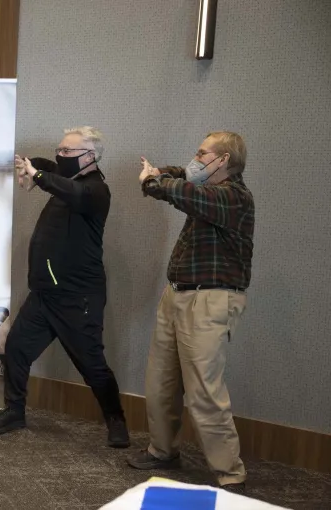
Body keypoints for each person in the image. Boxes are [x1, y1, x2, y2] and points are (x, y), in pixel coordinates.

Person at [0, 126, 130, 449]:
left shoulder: (95, 191)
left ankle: (116, 420)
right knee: (17, 347)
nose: (59, 156)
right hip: (44, 295)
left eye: (67, 152)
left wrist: (37, 176)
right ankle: (15, 410)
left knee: (92, 364)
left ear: (89, 158)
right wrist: (26, 163)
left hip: (77, 299)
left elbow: (63, 187)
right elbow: (49, 169)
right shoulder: (68, 178)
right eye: (59, 149)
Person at [127, 132, 254, 493]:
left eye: (202, 153)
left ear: (223, 159)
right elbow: (179, 176)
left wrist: (156, 180)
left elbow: (184, 191)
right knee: (161, 382)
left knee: (203, 391)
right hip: (177, 295)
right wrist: (157, 174)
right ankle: (163, 451)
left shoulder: (233, 197)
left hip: (210, 301)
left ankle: (230, 474)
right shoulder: (202, 185)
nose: (195, 159)